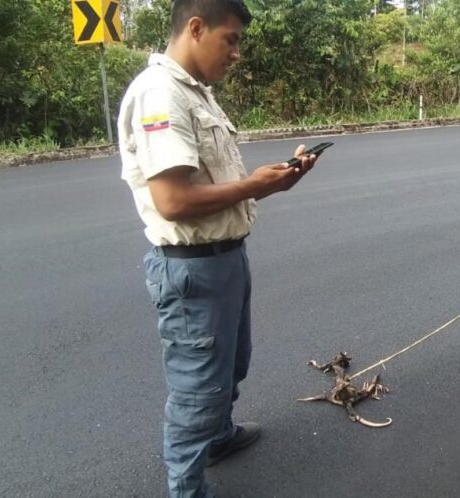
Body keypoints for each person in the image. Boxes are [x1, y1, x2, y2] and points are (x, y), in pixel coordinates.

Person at [117, 0, 318, 495]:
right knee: (197, 389)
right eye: (231, 40)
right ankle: (187, 486)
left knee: (231, 364)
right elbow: (173, 199)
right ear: (195, 27)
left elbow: (216, 180)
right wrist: (256, 186)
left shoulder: (196, 94)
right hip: (191, 269)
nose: (236, 54)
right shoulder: (160, 95)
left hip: (225, 257)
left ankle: (219, 437)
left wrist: (273, 181)